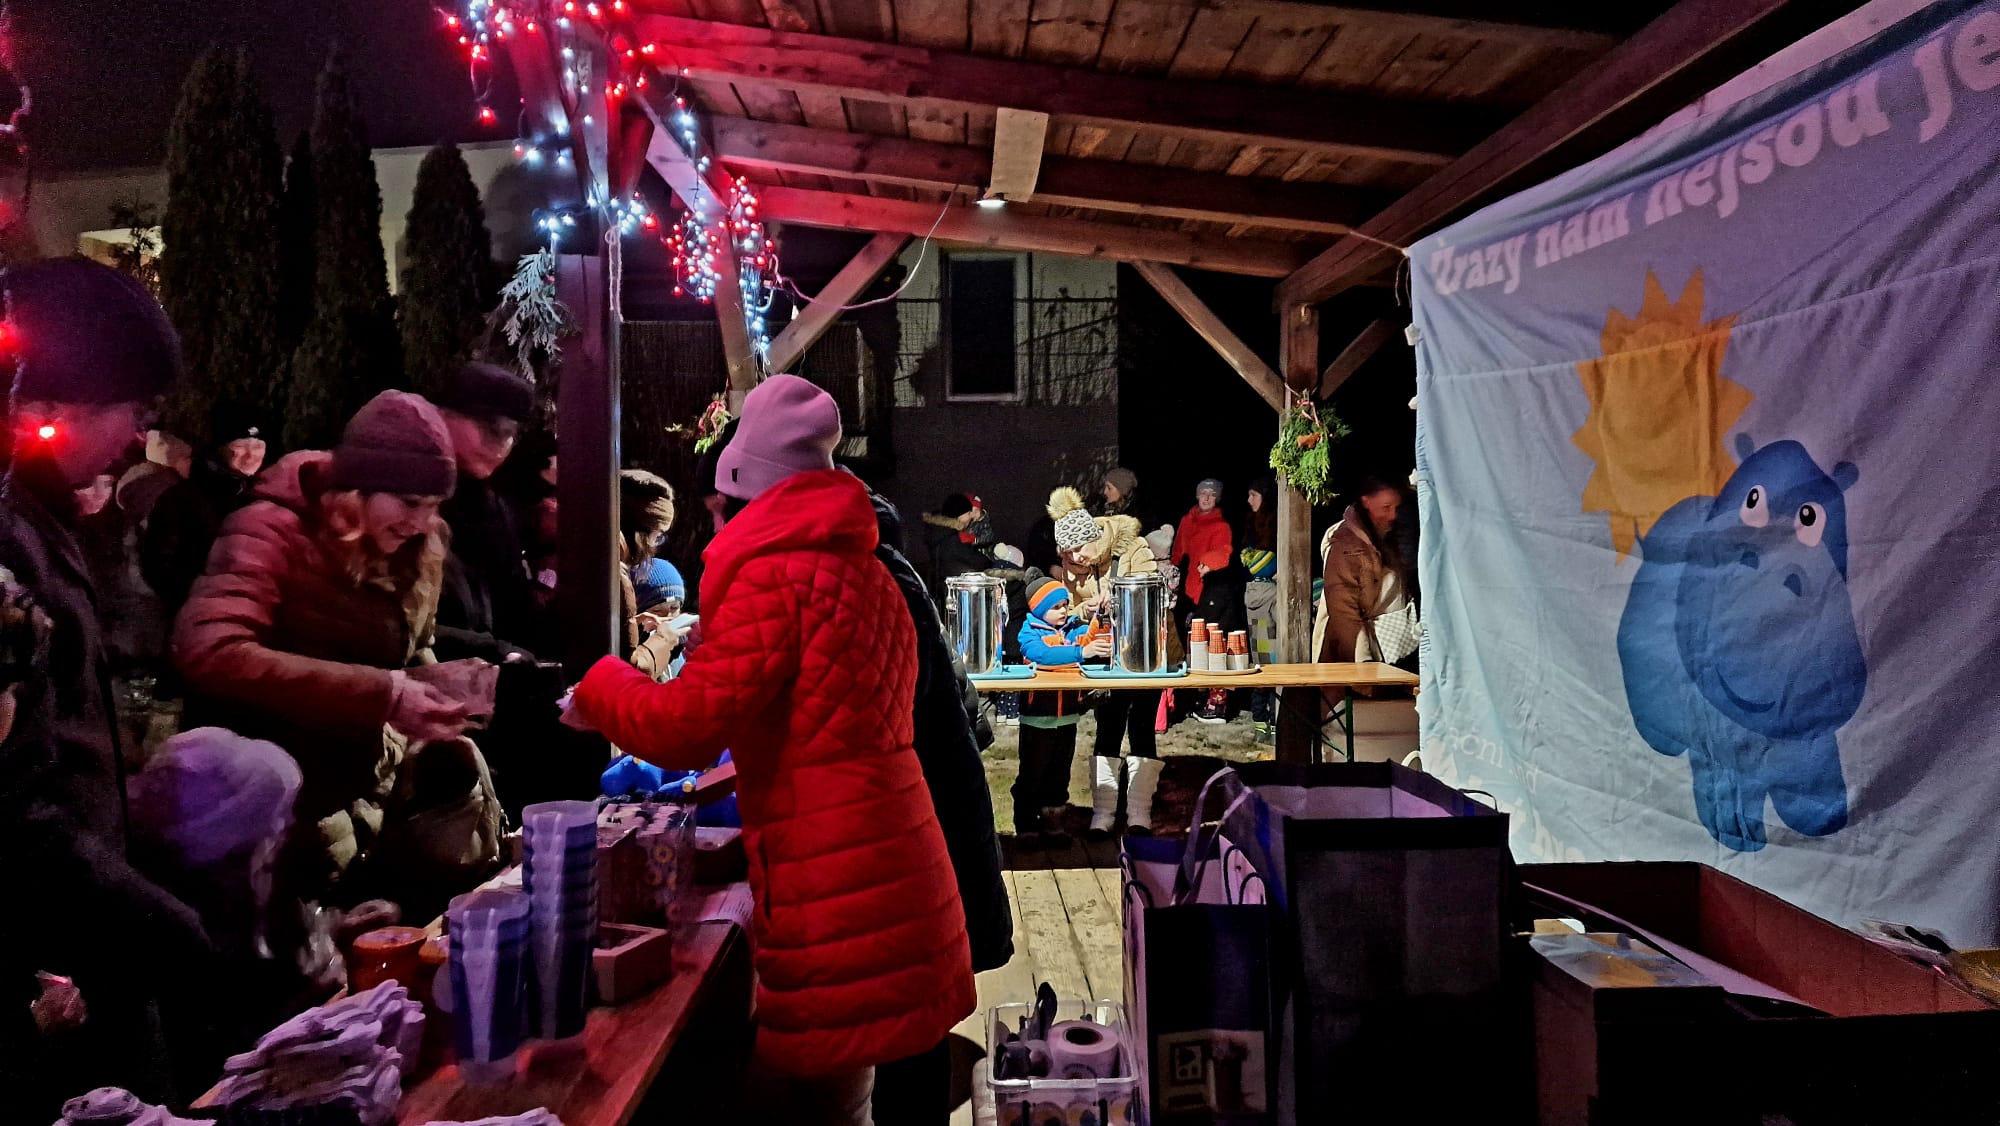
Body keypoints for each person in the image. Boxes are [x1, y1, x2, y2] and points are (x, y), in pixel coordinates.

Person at [564, 375, 973, 1125]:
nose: (711, 523)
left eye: (718, 505)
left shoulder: (773, 577)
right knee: (860, 1092)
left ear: (744, 493)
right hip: (898, 865)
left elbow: (685, 728)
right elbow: (820, 713)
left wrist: (599, 685)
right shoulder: (865, 571)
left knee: (809, 1104)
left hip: (834, 881)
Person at [0, 258, 214, 1114]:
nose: (135, 437)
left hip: (79, 938)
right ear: (54, 408)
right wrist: (154, 921)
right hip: (52, 966)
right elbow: (14, 804)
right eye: (133, 409)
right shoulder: (10, 545)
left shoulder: (36, 517)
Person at [174, 391, 503, 921]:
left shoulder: (418, 546)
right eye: (409, 502)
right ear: (355, 490)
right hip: (269, 812)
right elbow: (211, 649)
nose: (422, 521)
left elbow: (410, 648)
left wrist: (436, 696)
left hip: (361, 799)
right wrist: (383, 694)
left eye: (434, 505)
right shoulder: (270, 529)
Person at [865, 484, 1011, 1126]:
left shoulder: (870, 580)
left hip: (904, 824)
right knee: (913, 1011)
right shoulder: (894, 567)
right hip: (924, 815)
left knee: (904, 1020)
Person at [1046, 485, 1165, 838]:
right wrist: (1086, 609)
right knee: (1108, 726)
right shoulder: (1071, 563)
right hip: (1103, 655)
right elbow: (1068, 610)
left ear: (1093, 538)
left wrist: (1117, 597)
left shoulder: (1133, 547)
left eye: (1078, 550)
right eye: (1067, 553)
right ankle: (1103, 813)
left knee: (1142, 726)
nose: (1075, 559)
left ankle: (1139, 813)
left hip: (1143, 653)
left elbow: (1150, 588)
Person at [431, 361, 538, 665]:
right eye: (490, 426)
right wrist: (492, 650)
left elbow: (513, 603)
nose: (502, 443)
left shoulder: (494, 508)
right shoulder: (402, 494)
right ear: (442, 416)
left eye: (512, 433)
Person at [141, 406, 268, 621]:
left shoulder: (262, 496)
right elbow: (157, 567)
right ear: (219, 449)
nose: (251, 455)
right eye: (240, 446)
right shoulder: (181, 499)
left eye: (258, 446)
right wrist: (211, 596)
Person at [1013, 579, 1108, 848]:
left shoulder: (1073, 629)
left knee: (1059, 773)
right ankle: (1026, 824)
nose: (1064, 611)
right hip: (1036, 718)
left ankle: (1053, 821)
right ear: (1039, 609)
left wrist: (1100, 617)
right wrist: (1081, 652)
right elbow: (1041, 655)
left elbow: (1091, 638)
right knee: (1032, 773)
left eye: (1065, 605)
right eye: (1056, 607)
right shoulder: (1029, 632)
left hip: (1067, 716)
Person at [1316, 475, 1416, 669]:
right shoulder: (1346, 546)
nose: (1392, 515)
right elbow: (1344, 611)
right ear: (1366, 501)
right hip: (1354, 651)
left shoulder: (1391, 533)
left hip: (1391, 646)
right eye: (1386, 507)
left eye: (1396, 508)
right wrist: (1364, 663)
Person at [1172, 478, 1242, 724]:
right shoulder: (1187, 521)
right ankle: (1193, 698)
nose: (1206, 498)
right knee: (1190, 646)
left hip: (1212, 592)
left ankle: (1217, 703)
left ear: (1217, 498)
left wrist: (1208, 563)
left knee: (1214, 643)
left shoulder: (1221, 525)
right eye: (1203, 493)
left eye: (1212, 494)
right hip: (1188, 592)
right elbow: (1177, 553)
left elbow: (1225, 552)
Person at [618, 468, 682, 678]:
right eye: (657, 536)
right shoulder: (615, 575)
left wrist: (632, 623)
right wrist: (665, 638)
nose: (654, 547)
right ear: (642, 534)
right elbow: (628, 669)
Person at [1240, 477, 1279, 734]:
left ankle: (1277, 718)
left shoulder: (1278, 524)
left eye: (1254, 495)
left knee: (1283, 657)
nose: (1249, 500)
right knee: (1264, 656)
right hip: (1259, 598)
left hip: (1279, 598)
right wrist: (1270, 564)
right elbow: (1254, 565)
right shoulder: (1251, 526)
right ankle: (1260, 718)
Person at [920, 492, 995, 592]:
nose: (971, 516)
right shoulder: (951, 539)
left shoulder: (938, 533)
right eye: (968, 513)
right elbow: (976, 560)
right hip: (953, 592)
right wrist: (992, 564)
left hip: (941, 590)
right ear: (960, 514)